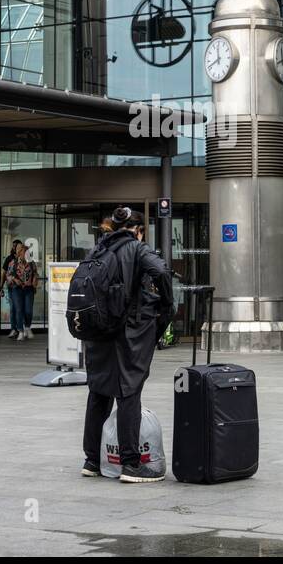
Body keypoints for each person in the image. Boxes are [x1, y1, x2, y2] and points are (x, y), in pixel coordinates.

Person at [81, 207, 173, 483]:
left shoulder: (97, 249)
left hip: (98, 333)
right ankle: (131, 464)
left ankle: (92, 461)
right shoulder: (136, 248)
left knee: (99, 391)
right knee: (128, 392)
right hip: (128, 333)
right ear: (138, 231)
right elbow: (161, 271)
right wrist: (166, 306)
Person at [7, 243, 38, 341]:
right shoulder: (13, 263)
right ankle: (20, 331)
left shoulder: (32, 263)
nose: (27, 253)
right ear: (20, 253)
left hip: (29, 289)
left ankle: (27, 327)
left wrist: (35, 279)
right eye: (25, 251)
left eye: (27, 251)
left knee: (28, 310)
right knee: (19, 310)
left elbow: (35, 273)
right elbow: (8, 276)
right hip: (17, 289)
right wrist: (14, 279)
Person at [3, 239, 24, 340]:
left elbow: (28, 273)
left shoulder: (26, 261)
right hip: (12, 287)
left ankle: (20, 330)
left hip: (20, 288)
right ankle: (14, 329)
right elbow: (7, 273)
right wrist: (12, 279)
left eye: (20, 248)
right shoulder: (11, 260)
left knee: (19, 309)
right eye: (16, 248)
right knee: (13, 309)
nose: (18, 249)